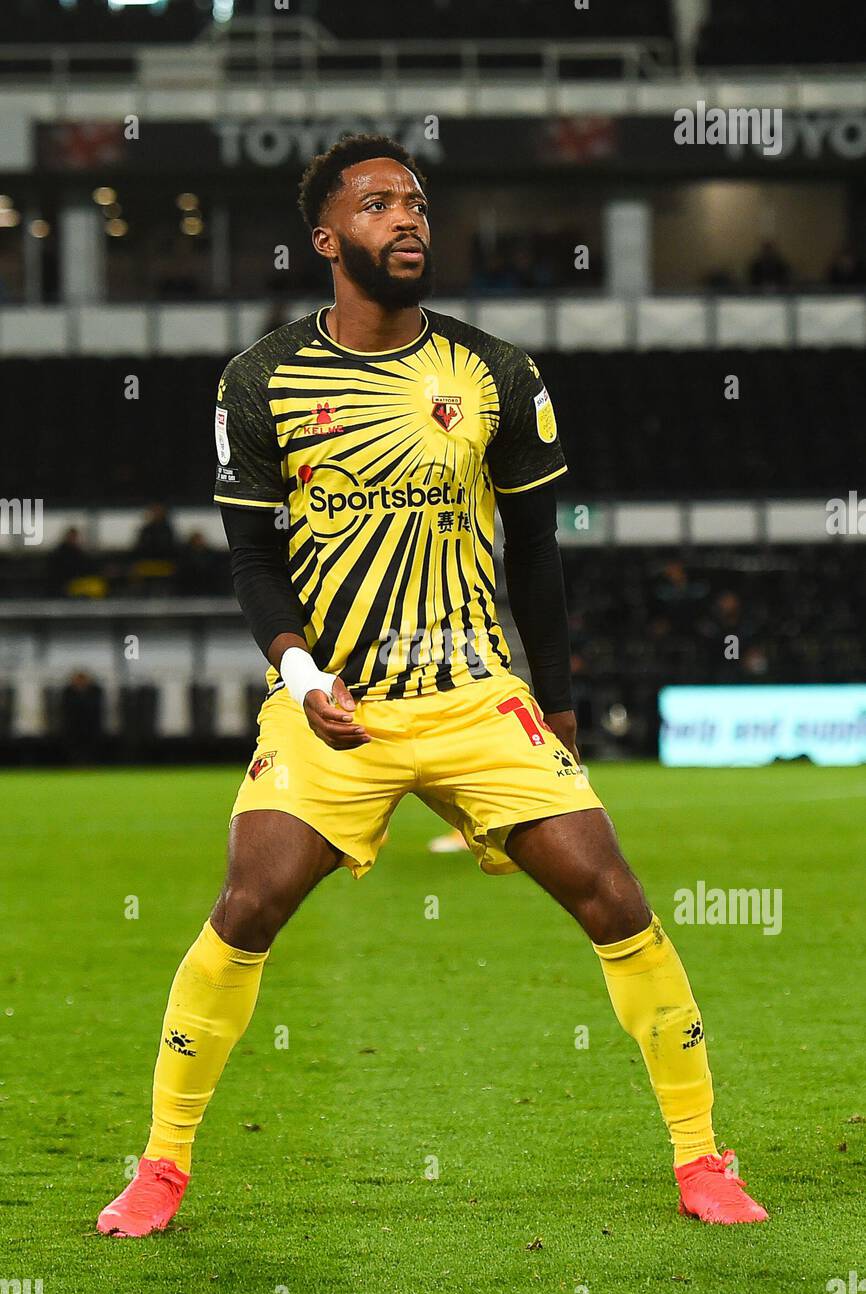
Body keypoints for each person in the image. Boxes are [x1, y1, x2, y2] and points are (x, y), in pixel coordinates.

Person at [97, 134, 767, 1238]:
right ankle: (160, 1168)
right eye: (375, 207)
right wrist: (301, 672)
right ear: (326, 240)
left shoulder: (493, 371)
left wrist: (551, 702)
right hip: (333, 705)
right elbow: (252, 561)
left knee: (616, 899)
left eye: (413, 203)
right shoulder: (259, 380)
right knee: (246, 904)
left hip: (472, 695)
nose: (405, 219)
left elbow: (536, 550)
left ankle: (702, 1159)